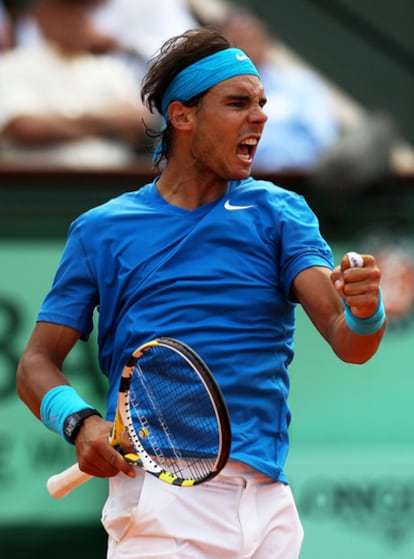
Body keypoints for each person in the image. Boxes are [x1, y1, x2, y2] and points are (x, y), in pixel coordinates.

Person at [16, 27, 386, 559]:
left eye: (261, 103)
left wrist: (366, 313)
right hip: (162, 505)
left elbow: (348, 341)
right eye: (237, 103)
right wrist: (80, 423)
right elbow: (36, 363)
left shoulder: (281, 214)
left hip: (270, 505)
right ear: (182, 116)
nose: (259, 116)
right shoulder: (102, 230)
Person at [0, 0, 155, 167]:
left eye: (80, 11)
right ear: (40, 17)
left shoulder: (110, 68)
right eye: (62, 11)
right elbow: (25, 129)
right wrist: (110, 123)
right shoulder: (11, 65)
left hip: (111, 180)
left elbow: (140, 121)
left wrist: (64, 122)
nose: (73, 19)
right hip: (36, 184)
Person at [219, 10, 340, 173]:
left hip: (299, 184)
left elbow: (326, 142)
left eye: (251, 39)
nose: (244, 48)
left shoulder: (299, 84)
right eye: (236, 41)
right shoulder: (209, 93)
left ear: (265, 42)